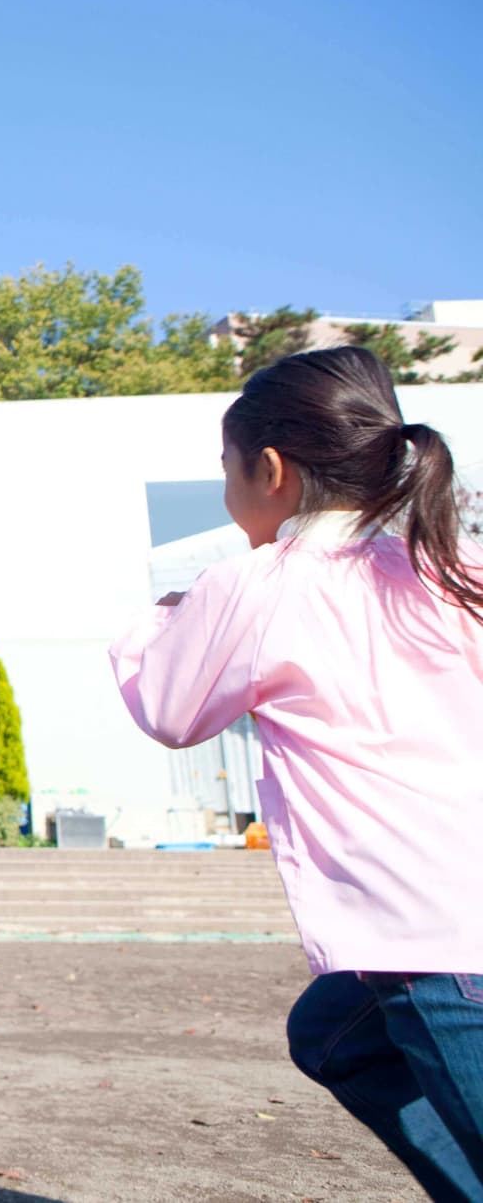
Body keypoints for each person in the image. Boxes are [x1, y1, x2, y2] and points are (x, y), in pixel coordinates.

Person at [110, 346, 483, 1202]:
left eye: (227, 470)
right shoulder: (452, 569)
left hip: (432, 935)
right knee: (330, 1031)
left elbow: (172, 710)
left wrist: (158, 620)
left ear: (269, 470)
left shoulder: (256, 581)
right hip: (439, 922)